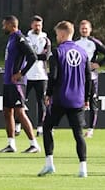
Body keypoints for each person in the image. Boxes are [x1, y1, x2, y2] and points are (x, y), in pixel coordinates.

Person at [38, 21, 91, 178]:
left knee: (47, 127)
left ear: (62, 34)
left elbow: (53, 76)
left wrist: (48, 94)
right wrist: (87, 98)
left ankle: (49, 164)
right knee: (78, 134)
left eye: (57, 35)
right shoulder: (82, 52)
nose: (56, 38)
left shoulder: (57, 52)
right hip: (77, 99)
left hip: (61, 98)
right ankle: (83, 168)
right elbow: (88, 78)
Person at [0, 15, 39, 153]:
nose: (3, 27)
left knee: (19, 112)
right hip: (8, 81)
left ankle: (34, 144)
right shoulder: (11, 39)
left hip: (17, 83)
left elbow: (33, 56)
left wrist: (22, 72)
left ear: (11, 25)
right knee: (7, 112)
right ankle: (11, 144)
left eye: (5, 25)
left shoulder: (19, 38)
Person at [74, 20, 105, 138]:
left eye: (86, 28)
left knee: (92, 102)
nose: (84, 30)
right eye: (82, 28)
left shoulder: (94, 42)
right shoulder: (75, 42)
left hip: (92, 77)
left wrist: (98, 64)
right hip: (79, 76)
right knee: (78, 101)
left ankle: (90, 129)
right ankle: (79, 125)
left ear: (90, 29)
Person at [25, 15, 51, 136]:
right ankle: (18, 125)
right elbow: (25, 54)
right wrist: (35, 56)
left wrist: (33, 56)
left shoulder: (45, 39)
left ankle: (40, 127)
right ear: (31, 25)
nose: (37, 27)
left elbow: (45, 56)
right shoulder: (26, 38)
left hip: (41, 75)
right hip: (27, 74)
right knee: (21, 101)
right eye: (35, 25)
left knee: (41, 102)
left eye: (39, 25)